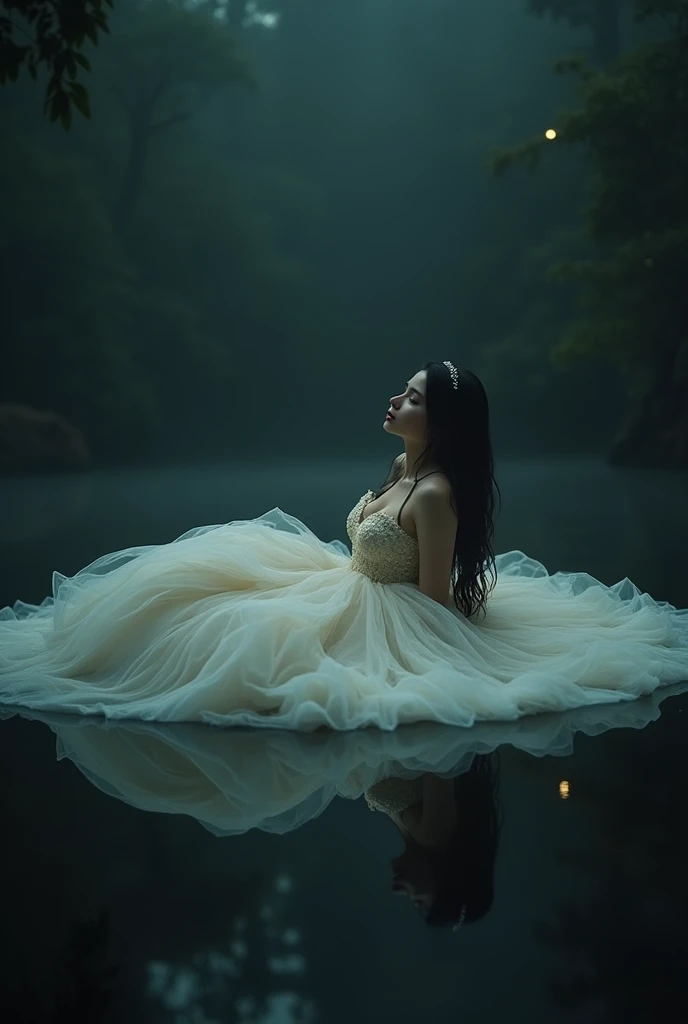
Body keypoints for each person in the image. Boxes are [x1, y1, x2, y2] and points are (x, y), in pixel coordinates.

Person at [0, 360, 687, 730]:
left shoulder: (435, 495)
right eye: (403, 390)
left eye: (412, 398)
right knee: (191, 598)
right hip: (338, 578)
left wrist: (424, 671)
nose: (395, 401)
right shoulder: (400, 470)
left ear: (440, 420)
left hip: (391, 614)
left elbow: (432, 602)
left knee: (243, 643)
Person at [366, 755, 502, 929]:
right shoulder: (435, 834)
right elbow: (438, 756)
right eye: (419, 901)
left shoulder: (419, 837)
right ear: (448, 884)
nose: (398, 890)